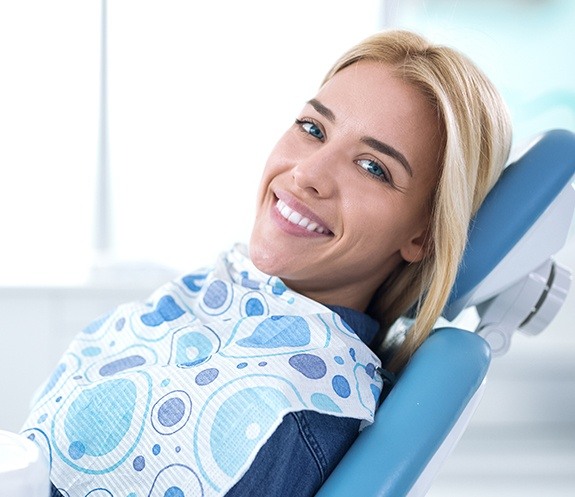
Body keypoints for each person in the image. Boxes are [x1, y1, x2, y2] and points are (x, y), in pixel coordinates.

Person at [21, 29, 512, 497]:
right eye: (313, 128)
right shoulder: (225, 291)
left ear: (423, 233)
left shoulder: (287, 413)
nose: (307, 174)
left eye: (372, 167)